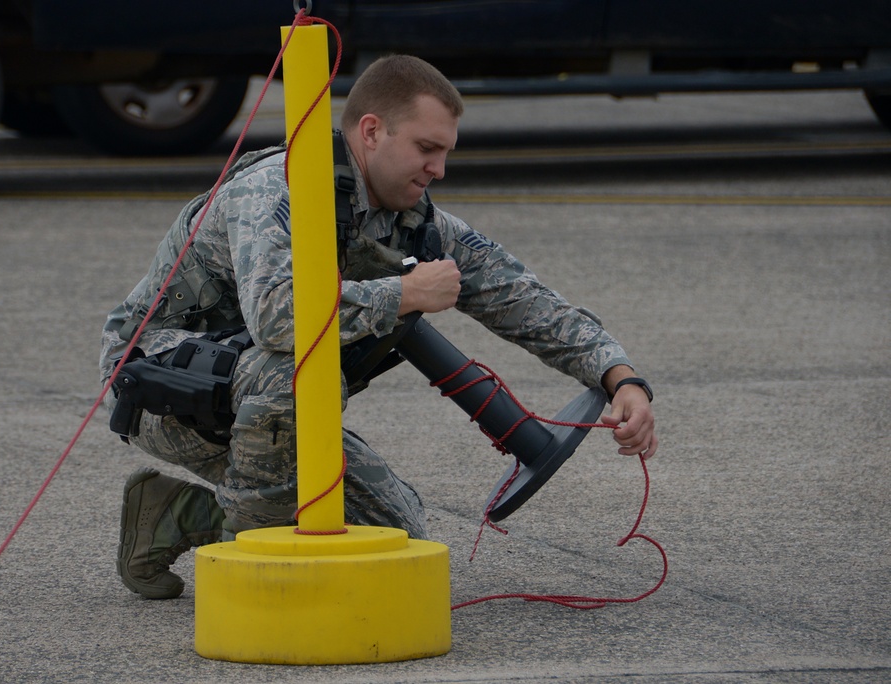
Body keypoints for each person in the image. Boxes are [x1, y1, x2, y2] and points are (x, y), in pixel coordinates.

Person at [99, 55, 657, 600]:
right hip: (160, 385)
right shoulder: (276, 188)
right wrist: (405, 293)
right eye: (426, 148)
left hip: (262, 398)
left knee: (397, 536)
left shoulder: (413, 223)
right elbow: (276, 318)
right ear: (371, 131)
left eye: (445, 152)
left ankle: (170, 515)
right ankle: (253, 581)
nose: (438, 168)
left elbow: (524, 300)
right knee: (286, 372)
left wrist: (619, 375)